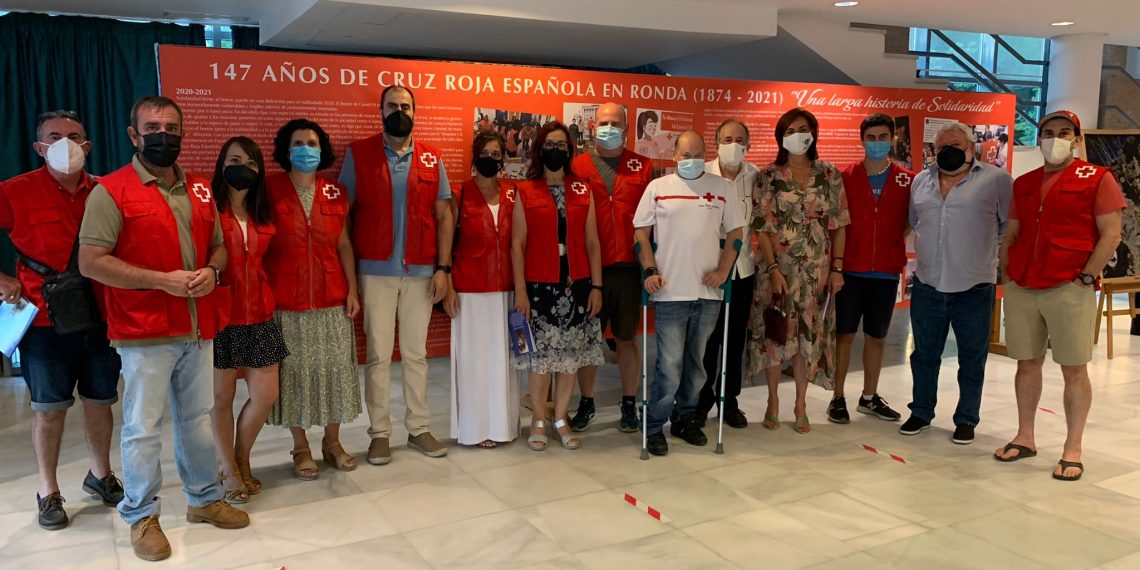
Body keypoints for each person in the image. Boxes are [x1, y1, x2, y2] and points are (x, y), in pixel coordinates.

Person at [78, 95, 247, 561]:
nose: (164, 135)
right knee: (142, 428)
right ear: (134, 135)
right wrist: (161, 282)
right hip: (143, 332)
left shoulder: (199, 189)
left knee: (197, 421)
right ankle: (142, 514)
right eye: (153, 127)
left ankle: (204, 499)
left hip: (199, 327)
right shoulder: (110, 192)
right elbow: (91, 263)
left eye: (172, 127)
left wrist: (212, 272)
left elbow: (218, 247)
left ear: (183, 133)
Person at [0, 110, 123, 531]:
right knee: (49, 410)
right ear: (38, 147)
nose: (65, 143)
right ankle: (48, 490)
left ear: (88, 146)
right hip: (42, 324)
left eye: (74, 136)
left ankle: (101, 474)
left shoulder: (108, 190)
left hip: (100, 315)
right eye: (55, 136)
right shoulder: (14, 191)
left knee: (100, 401)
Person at [996, 110, 1125, 481]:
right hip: (1025, 284)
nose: (1055, 138)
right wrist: (1009, 271)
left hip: (1069, 285)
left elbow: (1111, 234)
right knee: (1027, 362)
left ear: (1076, 138)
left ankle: (1073, 447)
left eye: (1063, 132)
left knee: (1073, 367)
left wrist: (1087, 276)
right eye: (1048, 132)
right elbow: (1014, 232)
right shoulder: (1025, 181)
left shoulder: (1097, 178)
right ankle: (1025, 436)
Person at [342, 85, 453, 465]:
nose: (399, 111)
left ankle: (419, 428)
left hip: (422, 271)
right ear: (380, 110)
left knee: (415, 354)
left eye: (405, 106)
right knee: (376, 356)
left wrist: (444, 268)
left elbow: (444, 216)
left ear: (414, 112)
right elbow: (345, 214)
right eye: (392, 106)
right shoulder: (359, 155)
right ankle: (380, 434)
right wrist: (349, 274)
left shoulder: (431, 157)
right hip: (374, 271)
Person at [633, 131, 745, 456]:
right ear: (675, 157)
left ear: (705, 153)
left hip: (708, 293)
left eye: (697, 153)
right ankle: (653, 424)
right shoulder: (658, 188)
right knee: (669, 364)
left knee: (697, 367)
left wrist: (724, 271)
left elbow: (737, 232)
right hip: (669, 291)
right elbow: (641, 232)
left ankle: (684, 418)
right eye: (685, 154)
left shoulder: (722, 188)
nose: (691, 159)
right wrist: (650, 270)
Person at [901, 121, 1012, 445]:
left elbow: (1008, 226)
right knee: (923, 355)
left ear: (970, 147)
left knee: (972, 357)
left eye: (955, 146)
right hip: (928, 284)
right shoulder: (921, 181)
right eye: (941, 147)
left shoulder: (996, 180)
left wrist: (990, 257)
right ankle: (921, 411)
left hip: (974, 287)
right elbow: (914, 221)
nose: (948, 152)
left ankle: (966, 419)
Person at [264, 119, 361, 480]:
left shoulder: (336, 192)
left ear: (322, 150)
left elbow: (345, 244)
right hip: (286, 301)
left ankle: (332, 443)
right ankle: (300, 446)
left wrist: (352, 288)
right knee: (295, 376)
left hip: (331, 298)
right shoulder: (270, 189)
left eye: (313, 143)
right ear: (286, 150)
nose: (307, 149)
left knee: (335, 370)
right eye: (299, 142)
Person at [748, 107, 849, 434]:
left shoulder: (830, 174)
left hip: (816, 272)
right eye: (789, 130)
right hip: (776, 270)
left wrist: (837, 267)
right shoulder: (767, 176)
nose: (797, 135)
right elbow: (761, 227)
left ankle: (801, 404)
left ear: (813, 132)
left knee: (808, 337)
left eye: (803, 128)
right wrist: (774, 266)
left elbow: (840, 225)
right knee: (776, 335)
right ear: (781, 136)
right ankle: (773, 400)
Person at [510, 121, 605, 452]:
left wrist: (597, 286)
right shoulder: (525, 190)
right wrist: (520, 290)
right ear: (540, 148)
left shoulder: (582, 189)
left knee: (569, 357)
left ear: (569, 150)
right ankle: (538, 418)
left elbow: (592, 242)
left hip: (576, 284)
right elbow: (517, 244)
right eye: (549, 144)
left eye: (562, 145)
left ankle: (561, 418)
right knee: (541, 359)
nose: (556, 150)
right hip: (540, 286)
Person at [208, 137, 286, 503]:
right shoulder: (208, 211)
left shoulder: (263, 214)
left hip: (261, 315)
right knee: (221, 398)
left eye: (252, 163)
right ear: (222, 165)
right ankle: (227, 467)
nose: (244, 168)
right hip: (221, 316)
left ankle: (242, 456)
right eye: (235, 160)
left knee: (266, 394)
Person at [568, 102, 653, 433]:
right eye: (603, 122)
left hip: (628, 269)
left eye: (615, 123)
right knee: (588, 340)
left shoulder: (641, 166)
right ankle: (586, 402)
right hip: (589, 270)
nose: (608, 127)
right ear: (593, 127)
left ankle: (629, 403)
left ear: (627, 128)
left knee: (627, 338)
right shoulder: (576, 166)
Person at [828, 114, 913, 425]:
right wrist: (836, 266)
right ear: (862, 140)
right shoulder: (845, 176)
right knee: (844, 335)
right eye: (871, 137)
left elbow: (910, 220)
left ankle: (869, 397)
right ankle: (837, 397)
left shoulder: (907, 179)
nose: (877, 143)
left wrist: (891, 243)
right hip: (850, 270)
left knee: (877, 336)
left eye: (882, 137)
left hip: (886, 273)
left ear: (892, 139)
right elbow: (836, 223)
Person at [443, 130, 519, 448]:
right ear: (475, 156)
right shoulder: (459, 193)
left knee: (503, 362)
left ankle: (502, 427)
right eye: (485, 153)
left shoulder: (514, 192)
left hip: (506, 290)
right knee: (473, 362)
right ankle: (474, 428)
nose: (491, 158)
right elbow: (445, 244)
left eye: (496, 153)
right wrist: (447, 284)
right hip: (469, 291)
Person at [695, 119, 759, 429]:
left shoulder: (755, 177)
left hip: (743, 272)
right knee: (705, 341)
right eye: (727, 138)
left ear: (748, 144)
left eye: (739, 139)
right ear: (716, 142)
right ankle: (700, 399)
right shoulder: (702, 174)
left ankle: (729, 399)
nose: (733, 144)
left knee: (734, 342)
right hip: (708, 272)